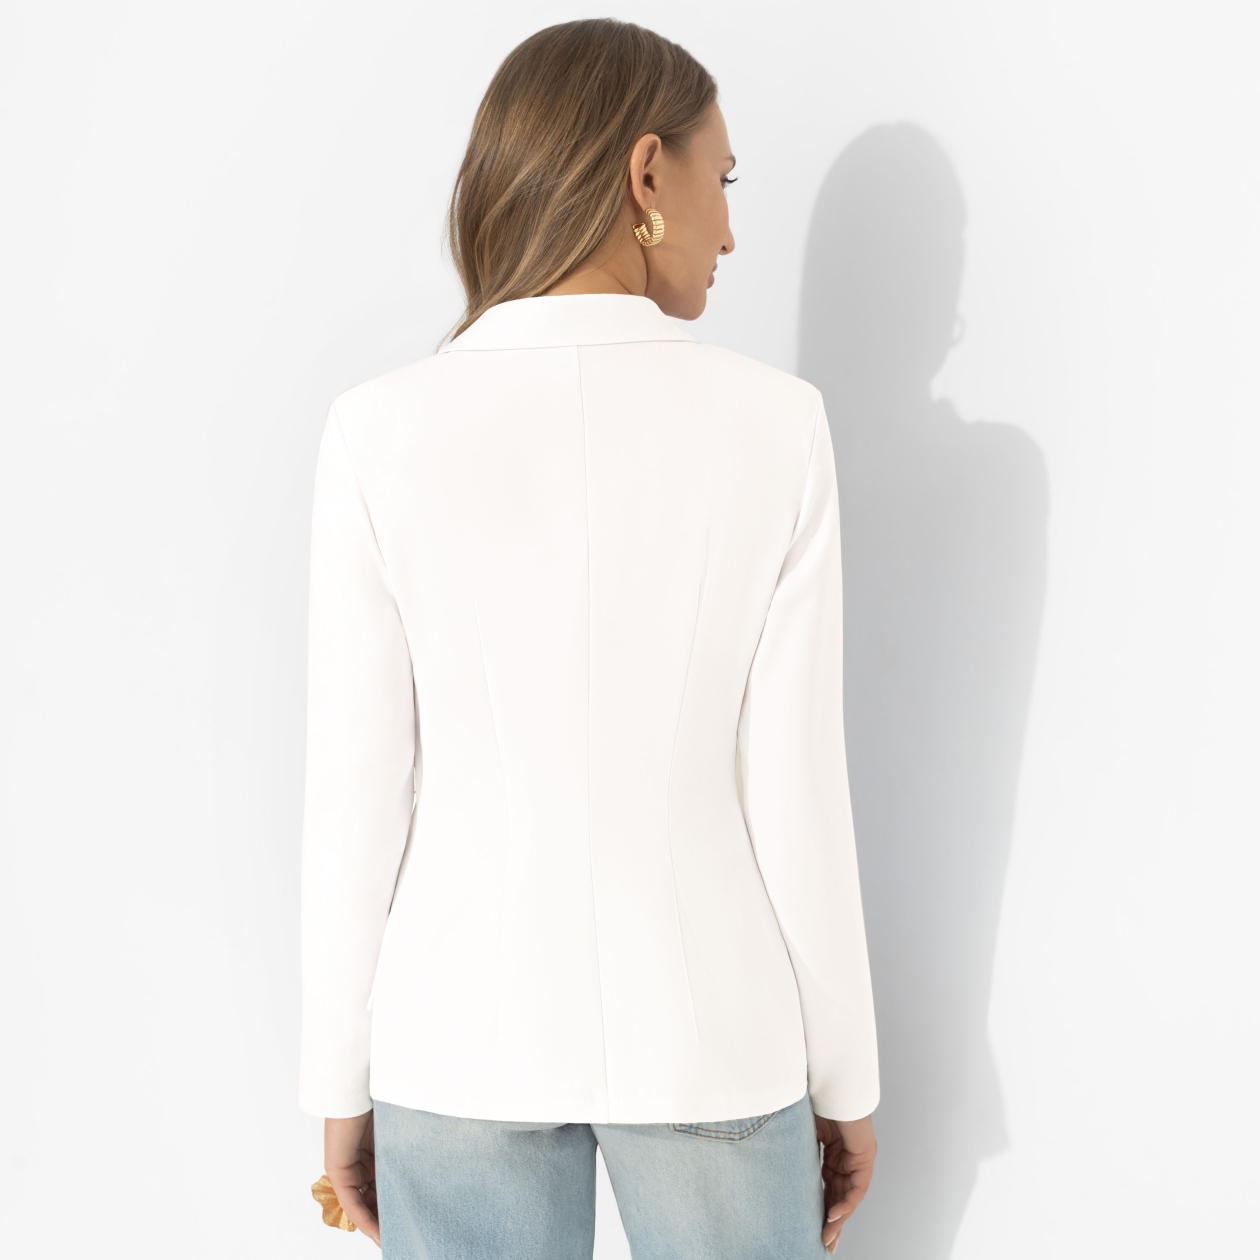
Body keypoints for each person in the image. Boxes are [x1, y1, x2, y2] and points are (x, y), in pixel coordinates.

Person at [299, 18, 879, 1259]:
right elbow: (796, 792)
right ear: (645, 170)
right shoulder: (777, 427)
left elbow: (358, 793)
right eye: (724, 180)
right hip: (715, 1034)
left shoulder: (377, 432)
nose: (732, 231)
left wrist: (338, 1079)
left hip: (457, 1038)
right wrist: (846, 1077)